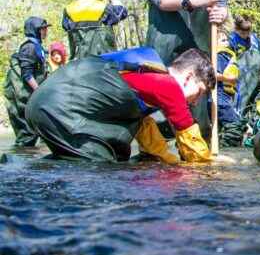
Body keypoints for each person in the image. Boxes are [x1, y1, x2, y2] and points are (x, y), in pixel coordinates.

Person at [25, 47, 218, 163]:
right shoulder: (169, 86)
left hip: (41, 103)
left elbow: (153, 144)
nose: (197, 100)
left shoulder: (146, 78)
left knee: (103, 157)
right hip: (60, 106)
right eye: (200, 91)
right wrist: (209, 170)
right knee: (94, 170)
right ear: (188, 77)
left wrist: (172, 162)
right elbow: (193, 148)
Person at [143, 0, 228, 139]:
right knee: (160, 110)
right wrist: (196, 1)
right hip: (164, 50)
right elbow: (160, 0)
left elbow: (223, 7)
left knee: (197, 112)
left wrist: (222, 13)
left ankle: (198, 160)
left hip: (199, 51)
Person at [3, 17, 50, 147]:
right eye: (43, 29)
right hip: (21, 95)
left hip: (27, 95)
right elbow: (27, 75)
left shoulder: (36, 46)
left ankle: (27, 160)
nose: (46, 31)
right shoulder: (29, 47)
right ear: (36, 30)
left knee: (34, 132)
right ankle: (21, 162)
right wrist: (40, 92)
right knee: (26, 134)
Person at [63, 0, 128, 60]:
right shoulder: (104, 7)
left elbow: (66, 26)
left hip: (79, 64)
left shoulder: (68, 10)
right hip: (104, 63)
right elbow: (123, 12)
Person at [215, 26, 245, 147]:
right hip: (220, 98)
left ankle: (221, 145)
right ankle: (228, 147)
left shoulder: (227, 55)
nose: (226, 43)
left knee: (224, 126)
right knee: (235, 125)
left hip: (226, 97)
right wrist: (229, 79)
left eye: (226, 40)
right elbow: (214, 74)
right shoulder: (219, 55)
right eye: (222, 41)